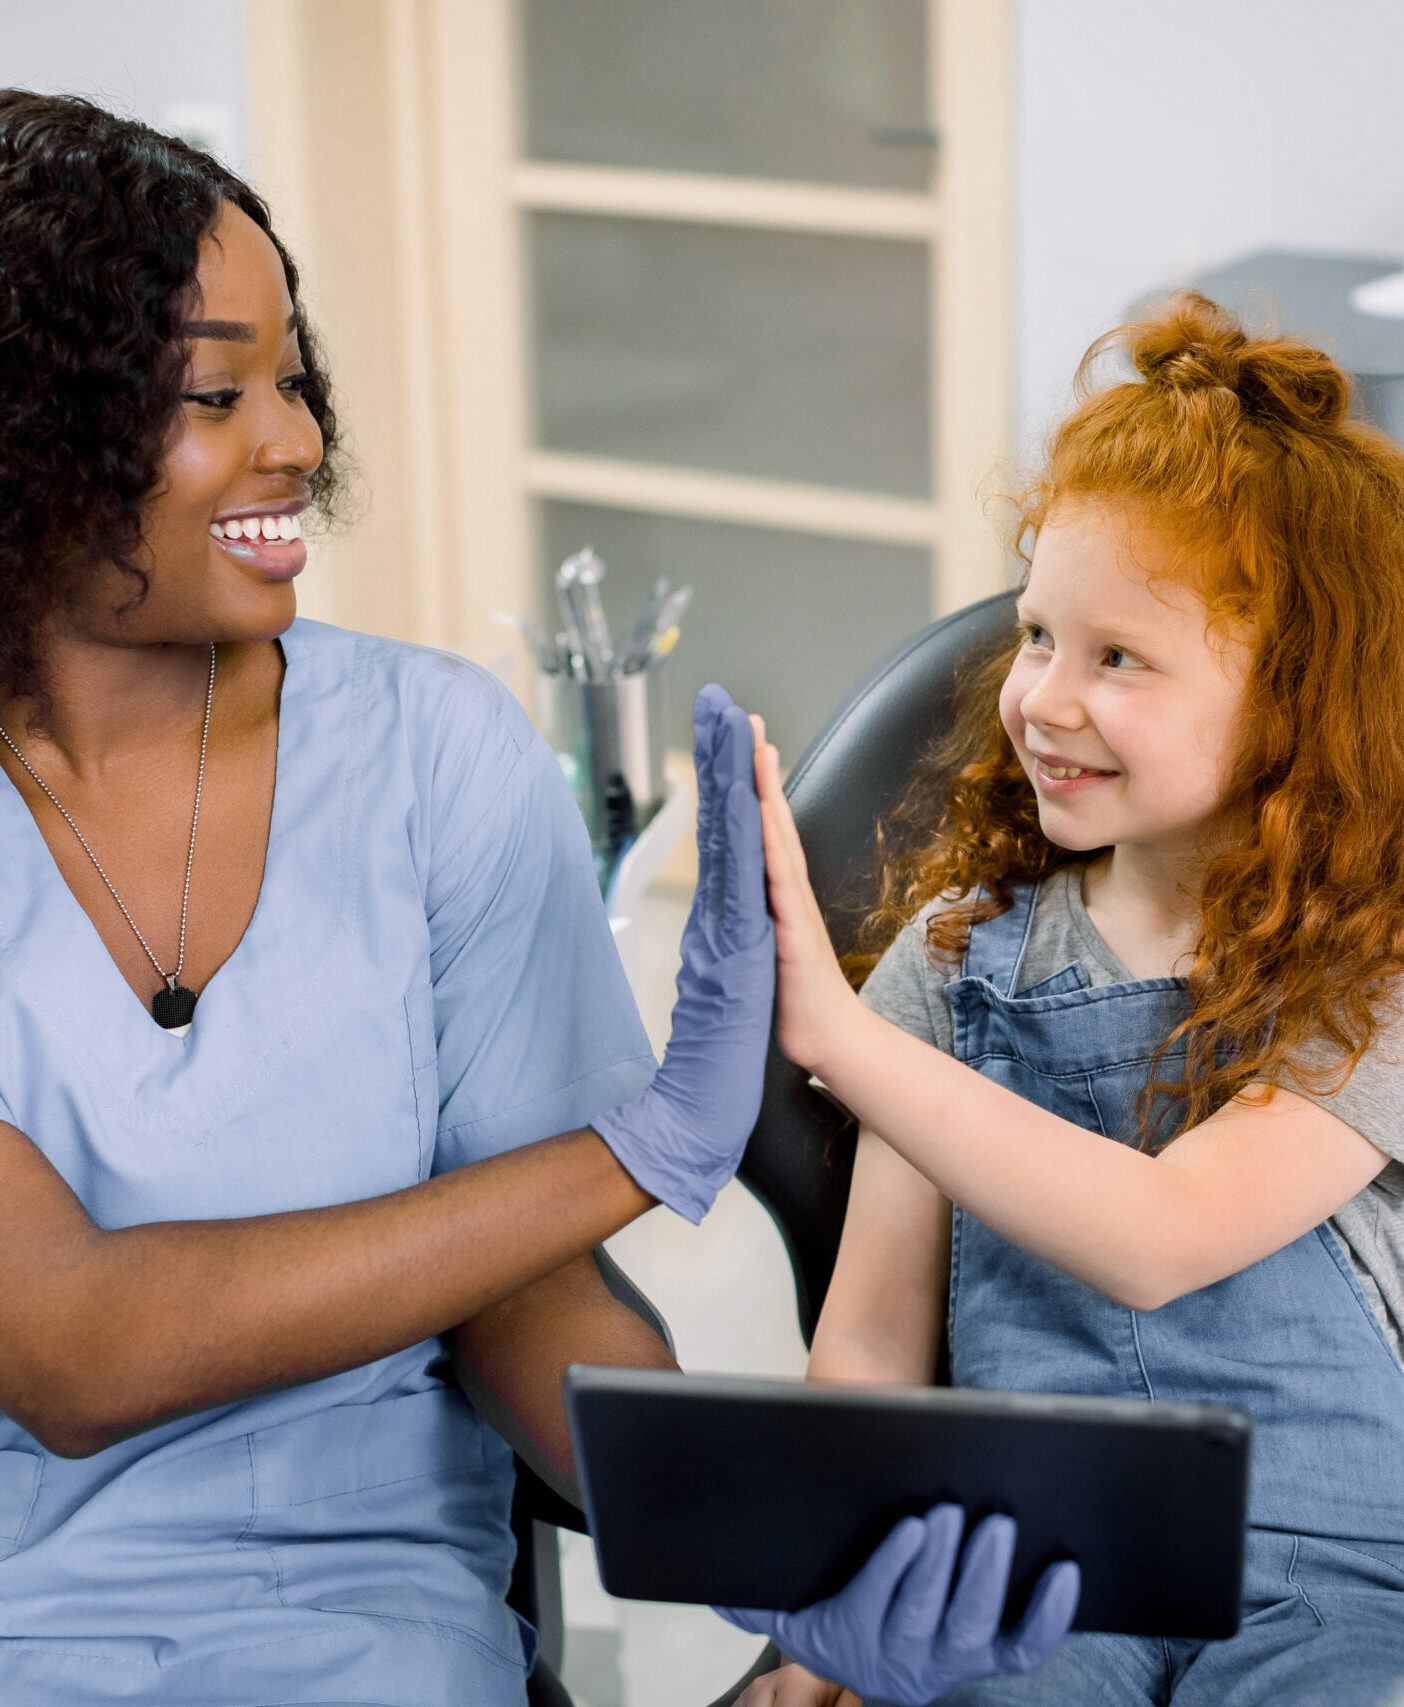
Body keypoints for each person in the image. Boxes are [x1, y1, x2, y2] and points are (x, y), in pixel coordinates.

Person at [0, 91, 1075, 1707]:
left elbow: (521, 1298)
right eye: (214, 391)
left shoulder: (431, 757)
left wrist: (796, 1587)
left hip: (363, 1636)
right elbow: (75, 1350)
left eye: (291, 374)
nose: (293, 438)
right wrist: (633, 1150)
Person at [736, 293, 1404, 1706]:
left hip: (1340, 1582)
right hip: (1030, 1573)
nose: (1041, 696)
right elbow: (869, 1339)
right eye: (1040, 633)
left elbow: (1168, 1237)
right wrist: (820, 1605)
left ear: (1297, 699)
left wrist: (840, 1040)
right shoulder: (957, 959)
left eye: (1120, 658)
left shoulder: (1376, 969)